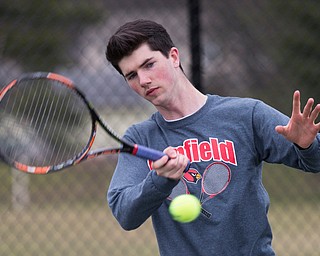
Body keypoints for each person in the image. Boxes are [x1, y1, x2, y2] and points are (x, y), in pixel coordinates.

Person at [105, 19, 320, 255]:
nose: (143, 80)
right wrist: (159, 180)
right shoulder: (140, 138)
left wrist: (306, 144)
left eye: (149, 65)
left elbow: (315, 161)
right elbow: (125, 214)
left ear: (174, 57)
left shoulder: (246, 115)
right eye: (131, 75)